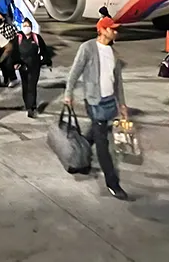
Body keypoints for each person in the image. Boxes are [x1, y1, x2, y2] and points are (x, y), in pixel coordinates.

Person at [63, 17, 130, 201]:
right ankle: (112, 183)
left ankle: (79, 157)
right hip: (94, 100)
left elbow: (118, 82)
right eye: (112, 29)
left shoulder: (113, 52)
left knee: (94, 132)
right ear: (102, 30)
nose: (115, 32)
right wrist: (68, 93)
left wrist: (122, 104)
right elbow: (75, 72)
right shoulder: (88, 48)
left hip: (109, 101)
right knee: (102, 142)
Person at [13, 18, 52, 117]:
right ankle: (28, 105)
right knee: (25, 86)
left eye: (28, 26)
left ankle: (31, 107)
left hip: (34, 66)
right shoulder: (18, 38)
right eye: (24, 26)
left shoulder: (36, 38)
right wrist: (15, 62)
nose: (26, 28)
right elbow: (14, 51)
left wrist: (47, 62)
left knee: (32, 86)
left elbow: (44, 50)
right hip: (22, 66)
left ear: (31, 27)